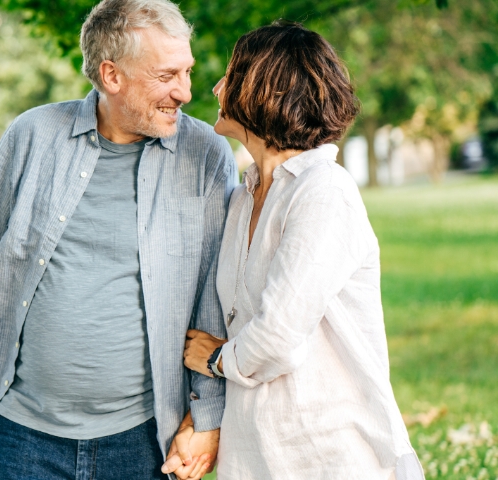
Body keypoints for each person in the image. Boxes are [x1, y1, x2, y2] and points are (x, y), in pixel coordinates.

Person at [0, 0, 239, 478]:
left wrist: (207, 416)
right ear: (112, 75)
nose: (185, 92)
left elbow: (213, 297)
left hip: (144, 441)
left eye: (187, 72)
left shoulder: (206, 155)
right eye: (166, 76)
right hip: (27, 437)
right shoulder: (34, 135)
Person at [178, 21, 424, 480]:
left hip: (332, 454)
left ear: (263, 87)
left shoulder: (323, 192)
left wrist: (215, 360)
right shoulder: (243, 197)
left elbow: (277, 336)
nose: (215, 86)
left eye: (230, 75)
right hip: (258, 456)